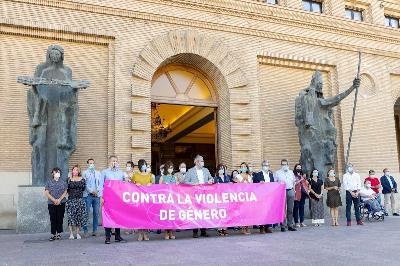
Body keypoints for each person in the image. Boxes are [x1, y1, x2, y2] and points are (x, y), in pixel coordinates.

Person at [182, 154, 214, 238]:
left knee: (204, 213)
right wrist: (193, 183)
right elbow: (185, 182)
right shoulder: (190, 171)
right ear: (196, 162)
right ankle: (195, 231)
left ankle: (203, 231)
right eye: (201, 160)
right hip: (194, 195)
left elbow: (211, 178)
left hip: (204, 194)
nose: (203, 162)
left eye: (203, 160)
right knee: (195, 213)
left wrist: (211, 180)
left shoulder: (206, 170)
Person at [101, 155, 126, 244]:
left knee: (117, 216)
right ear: (109, 162)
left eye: (115, 161)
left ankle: (117, 236)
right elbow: (101, 185)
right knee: (107, 216)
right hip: (108, 197)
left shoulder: (120, 172)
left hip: (118, 198)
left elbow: (125, 183)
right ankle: (107, 237)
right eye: (112, 161)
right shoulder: (104, 172)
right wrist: (101, 197)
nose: (114, 162)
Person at [131, 159, 153, 241]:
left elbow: (154, 186)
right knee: (140, 216)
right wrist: (135, 184)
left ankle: (146, 233)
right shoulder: (135, 175)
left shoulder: (150, 175)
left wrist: (151, 184)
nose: (144, 166)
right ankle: (140, 233)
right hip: (139, 199)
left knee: (146, 216)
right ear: (140, 166)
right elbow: (130, 185)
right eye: (142, 164)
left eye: (145, 164)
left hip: (147, 199)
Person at [45, 167, 68, 241]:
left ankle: (58, 234)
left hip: (61, 203)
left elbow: (65, 191)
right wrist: (54, 200)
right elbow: (46, 192)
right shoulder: (49, 182)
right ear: (52, 173)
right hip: (51, 203)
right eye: (55, 172)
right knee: (53, 218)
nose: (57, 173)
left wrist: (59, 199)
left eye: (58, 172)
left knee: (60, 218)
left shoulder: (63, 182)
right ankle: (53, 234)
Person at [274, 159, 296, 232]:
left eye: (285, 164)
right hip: (282, 192)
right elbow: (275, 183)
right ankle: (283, 225)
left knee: (290, 209)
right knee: (283, 209)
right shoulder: (277, 173)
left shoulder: (291, 172)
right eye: (283, 164)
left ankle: (290, 225)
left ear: (288, 165)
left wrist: (294, 190)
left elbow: (293, 181)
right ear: (281, 165)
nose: (284, 166)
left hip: (290, 190)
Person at [66, 165, 87, 240]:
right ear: (72, 171)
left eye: (76, 170)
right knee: (71, 217)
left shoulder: (82, 179)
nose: (75, 171)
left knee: (79, 217)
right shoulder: (68, 179)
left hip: (80, 200)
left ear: (79, 171)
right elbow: (67, 189)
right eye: (74, 170)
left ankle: (77, 233)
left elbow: (83, 189)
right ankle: (71, 234)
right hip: (71, 200)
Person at [253, 160, 274, 234]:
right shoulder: (258, 174)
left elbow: (273, 184)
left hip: (269, 195)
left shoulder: (271, 175)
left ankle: (267, 227)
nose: (266, 166)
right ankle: (261, 227)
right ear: (262, 166)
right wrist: (259, 183)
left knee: (268, 210)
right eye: (265, 165)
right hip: (261, 195)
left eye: (267, 165)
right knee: (262, 211)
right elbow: (254, 184)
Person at [82, 158, 102, 237]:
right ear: (87, 164)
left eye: (93, 163)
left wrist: (97, 192)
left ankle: (95, 230)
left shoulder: (98, 173)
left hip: (96, 196)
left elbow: (100, 183)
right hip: (88, 195)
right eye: (90, 163)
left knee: (96, 213)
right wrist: (91, 191)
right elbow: (85, 184)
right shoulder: (85, 173)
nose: (91, 165)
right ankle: (85, 230)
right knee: (86, 213)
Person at [159, 161, 177, 240]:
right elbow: (158, 189)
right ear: (166, 168)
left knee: (172, 215)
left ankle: (171, 231)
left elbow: (177, 188)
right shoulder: (162, 177)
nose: (171, 169)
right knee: (166, 216)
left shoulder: (174, 177)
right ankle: (166, 231)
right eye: (169, 168)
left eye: (172, 168)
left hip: (173, 198)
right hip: (165, 199)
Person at [234, 162, 253, 235]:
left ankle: (247, 227)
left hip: (248, 196)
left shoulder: (249, 176)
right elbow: (236, 186)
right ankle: (243, 228)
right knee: (242, 212)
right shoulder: (238, 176)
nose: (243, 168)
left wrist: (247, 180)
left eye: (244, 166)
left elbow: (251, 186)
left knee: (247, 212)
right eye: (242, 166)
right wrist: (242, 180)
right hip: (241, 196)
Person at [213, 163, 231, 236]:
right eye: (220, 169)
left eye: (222, 168)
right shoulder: (216, 178)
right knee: (220, 213)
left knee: (226, 213)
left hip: (226, 197)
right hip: (219, 198)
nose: (221, 170)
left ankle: (225, 228)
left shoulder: (227, 177)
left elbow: (229, 187)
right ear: (218, 170)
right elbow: (213, 188)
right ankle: (220, 229)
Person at [293, 163, 309, 228]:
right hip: (296, 193)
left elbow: (305, 183)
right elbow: (294, 183)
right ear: (295, 168)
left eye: (300, 167)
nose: (299, 169)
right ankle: (296, 222)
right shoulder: (293, 175)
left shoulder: (302, 175)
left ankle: (302, 221)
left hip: (302, 193)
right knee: (296, 207)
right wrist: (300, 180)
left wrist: (305, 180)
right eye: (297, 167)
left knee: (301, 207)